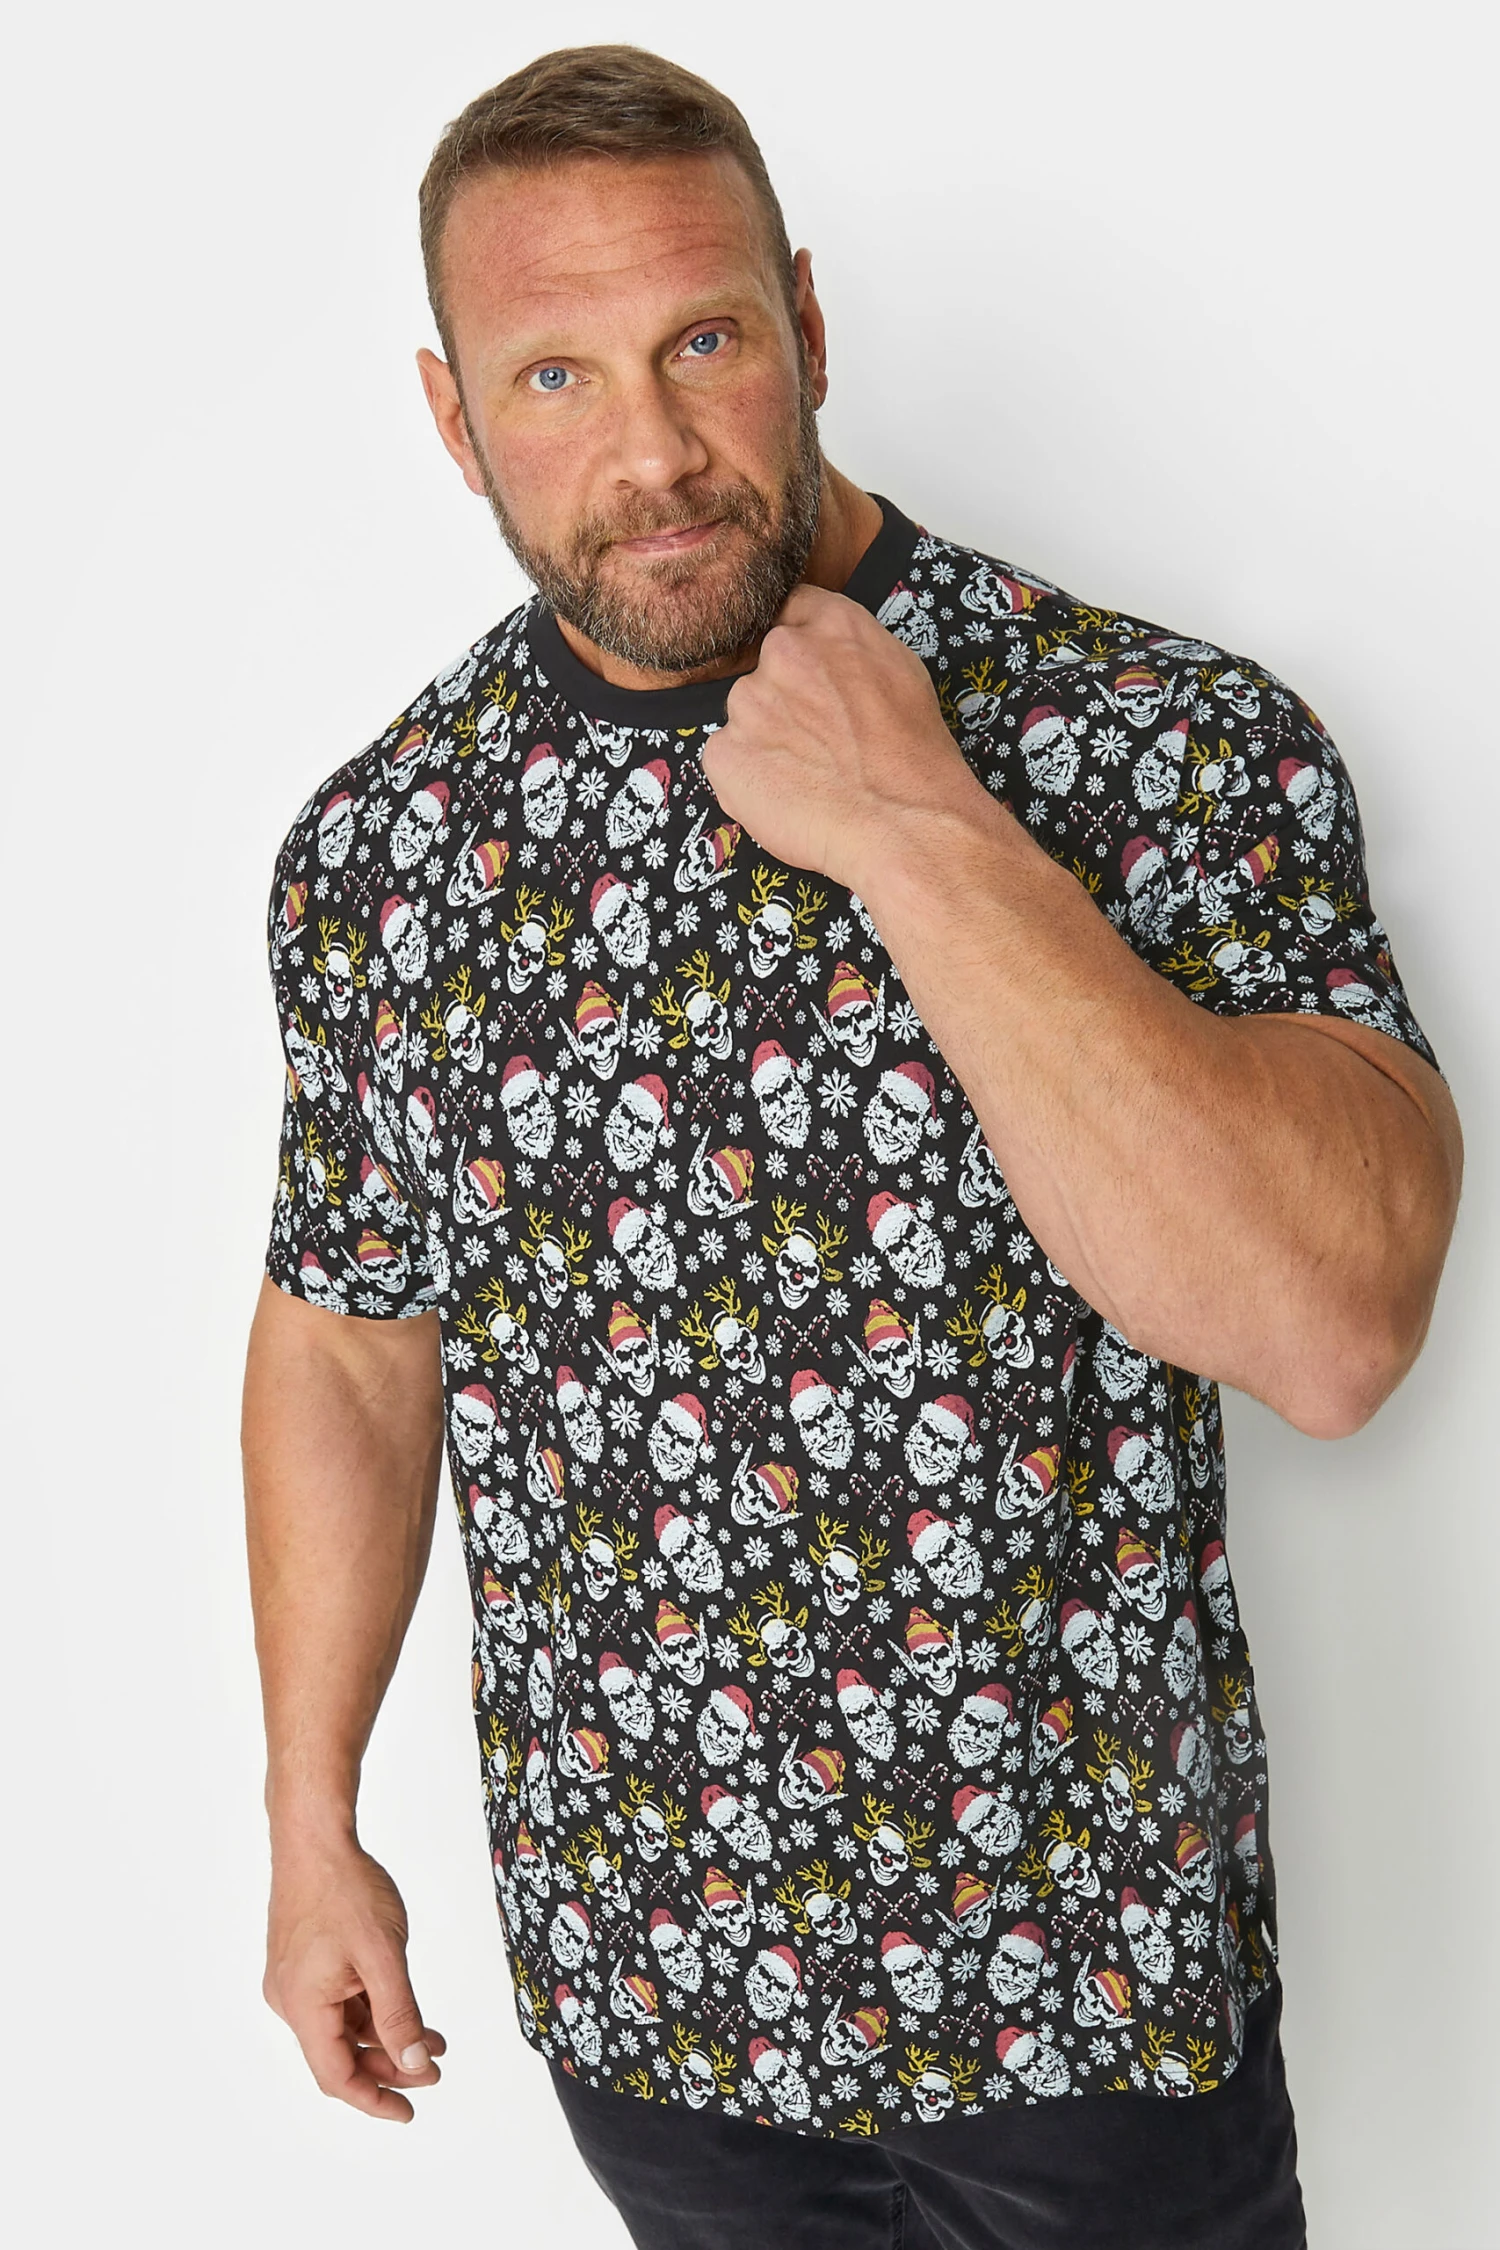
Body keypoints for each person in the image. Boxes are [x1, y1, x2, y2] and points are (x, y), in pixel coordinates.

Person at [242, 43, 1461, 2250]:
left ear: (806, 318)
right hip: (649, 1994)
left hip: (1079, 1999)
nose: (651, 449)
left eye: (705, 340)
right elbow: (344, 1334)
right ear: (452, 417)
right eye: (553, 377)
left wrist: (919, 829)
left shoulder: (1161, 742)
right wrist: (309, 1816)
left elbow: (1335, 1330)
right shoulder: (383, 851)